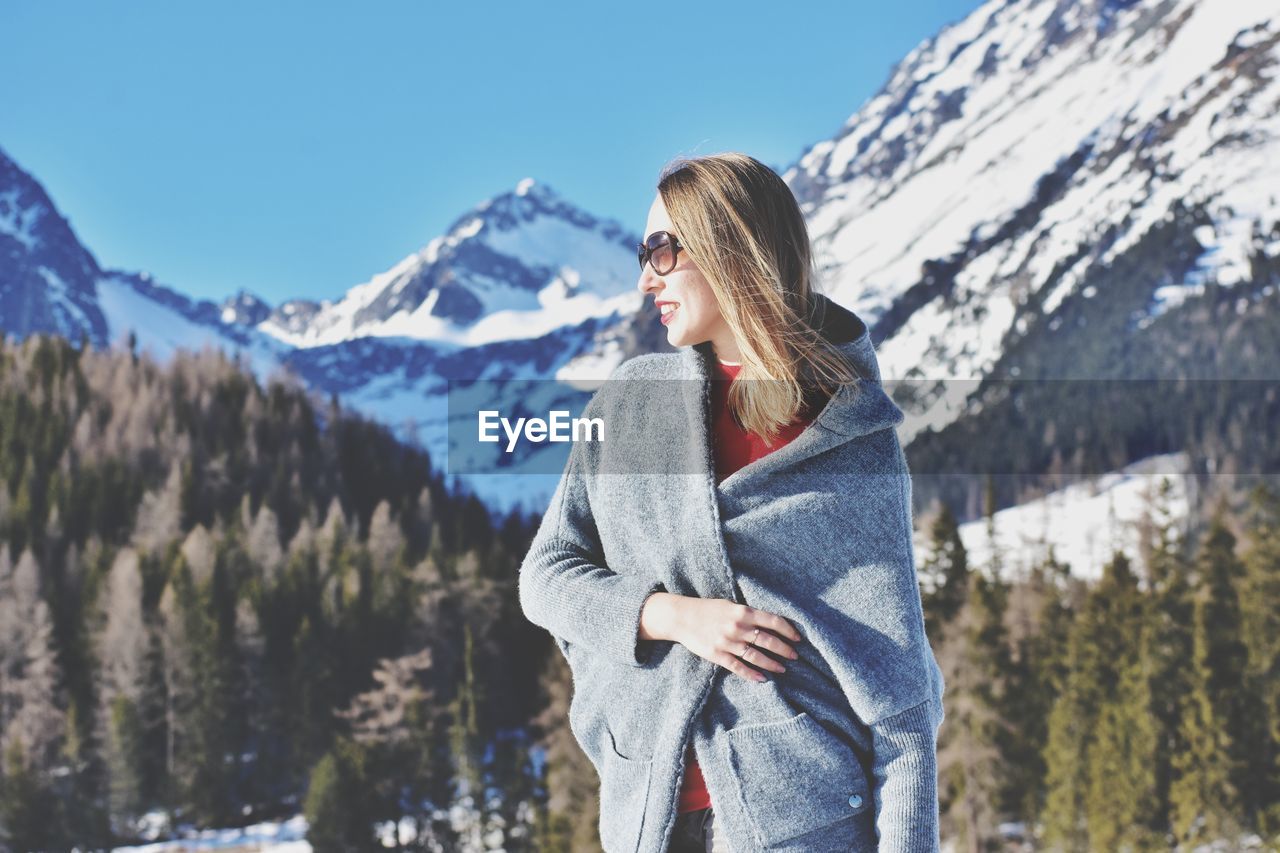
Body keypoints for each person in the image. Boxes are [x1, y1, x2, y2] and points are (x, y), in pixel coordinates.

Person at [519, 152, 945, 853]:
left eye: (661, 251)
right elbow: (546, 576)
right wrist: (673, 615)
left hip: (807, 829)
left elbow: (900, 707)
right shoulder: (629, 404)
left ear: (729, 246)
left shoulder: (850, 440)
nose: (643, 278)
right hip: (647, 817)